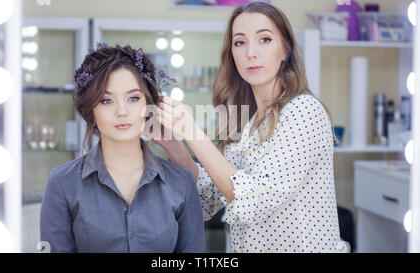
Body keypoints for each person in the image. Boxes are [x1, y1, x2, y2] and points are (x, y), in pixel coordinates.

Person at [153, 2, 341, 253]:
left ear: (285, 49)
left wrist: (191, 131)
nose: (251, 52)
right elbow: (208, 196)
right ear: (231, 53)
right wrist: (174, 146)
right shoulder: (247, 121)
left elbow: (252, 201)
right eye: (240, 42)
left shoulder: (303, 112)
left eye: (264, 39)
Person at [40, 44, 205, 253]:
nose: (122, 111)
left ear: (149, 105)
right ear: (90, 110)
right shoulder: (62, 184)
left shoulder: (181, 183)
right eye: (106, 100)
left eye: (133, 98)